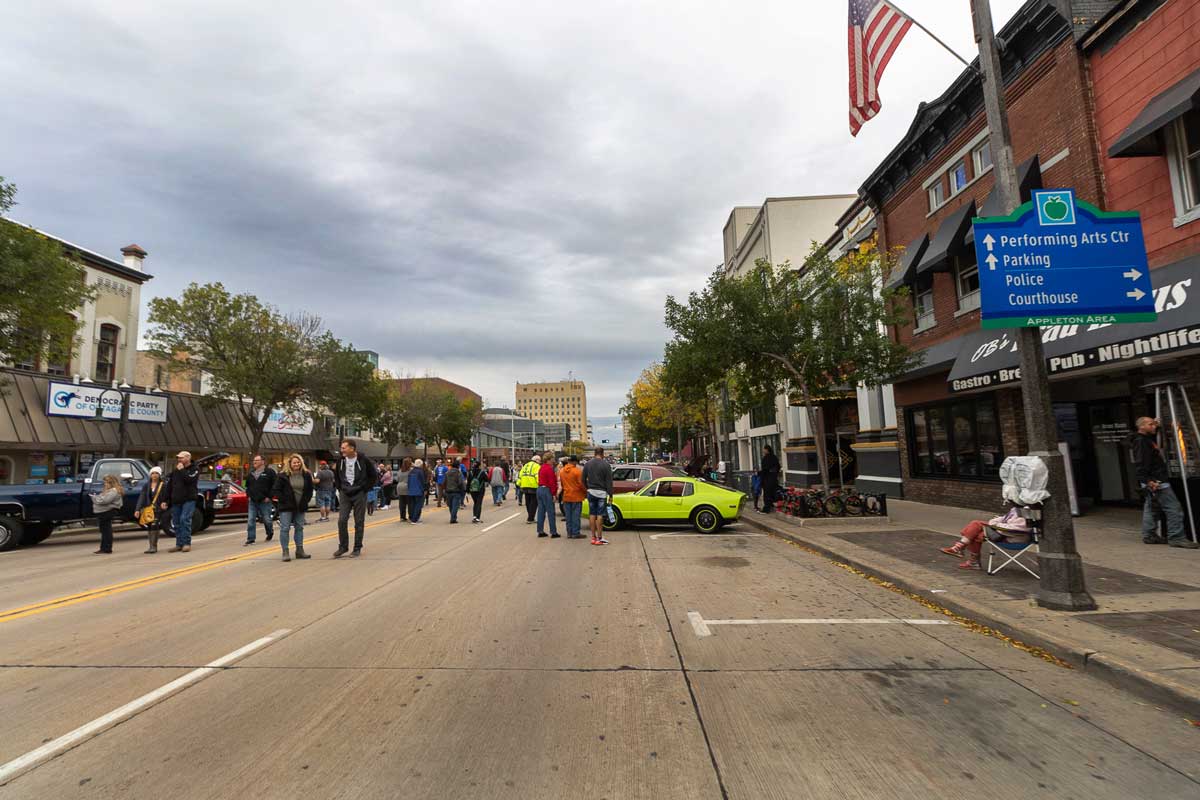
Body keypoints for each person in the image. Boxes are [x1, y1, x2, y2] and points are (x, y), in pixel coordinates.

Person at [1132, 416, 1199, 548]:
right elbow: (1141, 463)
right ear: (1141, 427)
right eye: (1150, 424)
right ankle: (1176, 537)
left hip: (1153, 479)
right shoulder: (1141, 442)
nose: (1154, 426)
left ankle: (1149, 535)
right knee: (1174, 508)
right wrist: (1149, 480)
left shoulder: (1143, 439)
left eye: (1154, 424)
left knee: (1151, 508)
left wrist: (1156, 424)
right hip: (1156, 480)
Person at [940, 508, 1032, 570]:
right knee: (975, 533)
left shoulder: (1027, 512)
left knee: (976, 525)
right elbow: (1001, 518)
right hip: (1002, 532)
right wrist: (995, 523)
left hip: (1013, 538)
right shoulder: (1016, 509)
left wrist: (995, 525)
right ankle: (965, 554)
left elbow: (1015, 528)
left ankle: (961, 550)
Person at [333, 438, 376, 558]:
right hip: (345, 493)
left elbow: (373, 476)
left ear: (352, 448)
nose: (342, 450)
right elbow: (336, 476)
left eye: (344, 448)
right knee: (342, 520)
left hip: (359, 493)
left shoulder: (364, 460)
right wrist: (340, 488)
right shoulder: (340, 461)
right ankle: (343, 547)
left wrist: (364, 489)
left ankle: (357, 547)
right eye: (341, 448)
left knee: (359, 521)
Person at [273, 453, 314, 562]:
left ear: (301, 463)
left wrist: (306, 500)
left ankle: (300, 550)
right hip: (286, 506)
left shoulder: (306, 474)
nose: (296, 464)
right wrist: (283, 500)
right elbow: (276, 490)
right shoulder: (282, 475)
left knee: (299, 528)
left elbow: (310, 489)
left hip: (300, 506)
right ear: (290, 464)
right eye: (294, 462)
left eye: (298, 462)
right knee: (285, 528)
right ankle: (285, 552)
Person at [161, 450, 200, 552]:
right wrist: (165, 500)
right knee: (176, 522)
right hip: (176, 500)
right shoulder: (175, 471)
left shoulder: (194, 469)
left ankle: (186, 543)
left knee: (184, 520)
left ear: (188, 458)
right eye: (178, 458)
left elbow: (189, 480)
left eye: (181, 457)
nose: (179, 459)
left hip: (189, 499)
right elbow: (169, 486)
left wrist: (182, 470)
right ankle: (179, 544)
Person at [582, 447, 613, 545]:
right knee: (600, 515)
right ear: (602, 454)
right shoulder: (606, 465)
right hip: (601, 493)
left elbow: (582, 479)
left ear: (594, 453)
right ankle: (599, 538)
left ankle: (593, 537)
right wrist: (610, 494)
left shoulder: (588, 464)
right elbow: (609, 482)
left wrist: (587, 488)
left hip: (591, 492)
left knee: (592, 514)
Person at [244, 453, 276, 545]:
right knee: (251, 520)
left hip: (265, 501)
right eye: (254, 461)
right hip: (253, 501)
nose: (254, 462)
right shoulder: (251, 473)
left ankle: (270, 532)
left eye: (257, 460)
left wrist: (269, 497)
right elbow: (247, 486)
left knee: (267, 520)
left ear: (262, 462)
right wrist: (248, 496)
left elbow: (275, 486)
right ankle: (251, 539)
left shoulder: (270, 472)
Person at [135, 466, 166, 554]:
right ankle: (151, 546)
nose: (154, 475)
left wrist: (165, 502)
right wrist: (137, 509)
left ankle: (153, 547)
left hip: (158, 509)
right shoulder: (146, 485)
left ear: (159, 475)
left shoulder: (163, 484)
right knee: (149, 526)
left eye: (156, 473)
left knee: (154, 524)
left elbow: (167, 496)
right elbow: (142, 497)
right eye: (152, 473)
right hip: (148, 509)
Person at [92, 474, 124, 554]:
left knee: (106, 530)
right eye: (105, 482)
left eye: (106, 482)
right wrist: (97, 498)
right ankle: (103, 548)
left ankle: (107, 548)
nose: (105, 484)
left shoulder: (114, 491)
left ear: (111, 483)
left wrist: (94, 498)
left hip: (107, 512)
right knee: (104, 530)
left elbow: (104, 500)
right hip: (104, 511)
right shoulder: (109, 490)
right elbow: (101, 498)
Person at [560, 454, 586, 539]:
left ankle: (569, 533)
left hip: (566, 496)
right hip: (576, 496)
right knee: (576, 516)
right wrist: (585, 492)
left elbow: (562, 484)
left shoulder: (562, 471)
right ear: (575, 462)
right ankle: (576, 533)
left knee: (568, 516)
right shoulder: (577, 471)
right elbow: (581, 484)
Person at [536, 450, 559, 538]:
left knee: (541, 511)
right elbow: (552, 482)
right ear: (549, 459)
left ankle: (540, 530)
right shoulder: (549, 468)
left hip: (540, 489)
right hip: (547, 490)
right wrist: (554, 494)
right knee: (550, 512)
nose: (553, 460)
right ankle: (553, 532)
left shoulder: (541, 467)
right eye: (552, 458)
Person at [758, 445, 781, 514]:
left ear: (767, 450)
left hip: (767, 479)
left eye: (764, 449)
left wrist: (759, 473)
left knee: (767, 493)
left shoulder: (766, 458)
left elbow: (765, 469)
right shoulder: (774, 457)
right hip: (773, 478)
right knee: (772, 492)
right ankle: (771, 506)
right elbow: (778, 467)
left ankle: (766, 509)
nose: (763, 451)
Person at [518, 456, 541, 524]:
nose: (540, 461)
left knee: (528, 502)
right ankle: (530, 518)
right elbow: (537, 476)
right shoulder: (537, 466)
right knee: (534, 502)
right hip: (533, 485)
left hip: (524, 485)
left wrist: (519, 483)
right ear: (536, 460)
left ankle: (530, 516)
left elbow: (521, 474)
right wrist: (540, 484)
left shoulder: (525, 465)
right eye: (539, 460)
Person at [445, 457, 466, 523]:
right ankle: (453, 518)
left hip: (448, 491)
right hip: (456, 491)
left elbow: (445, 482)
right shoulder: (458, 473)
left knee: (450, 506)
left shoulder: (447, 473)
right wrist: (463, 489)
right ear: (458, 466)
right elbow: (460, 482)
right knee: (455, 506)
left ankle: (453, 516)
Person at [408, 458, 427, 523]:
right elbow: (423, 481)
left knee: (412, 505)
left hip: (411, 491)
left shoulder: (411, 471)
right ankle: (415, 519)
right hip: (419, 490)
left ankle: (412, 517)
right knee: (418, 505)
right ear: (420, 464)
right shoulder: (420, 471)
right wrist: (424, 489)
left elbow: (408, 482)